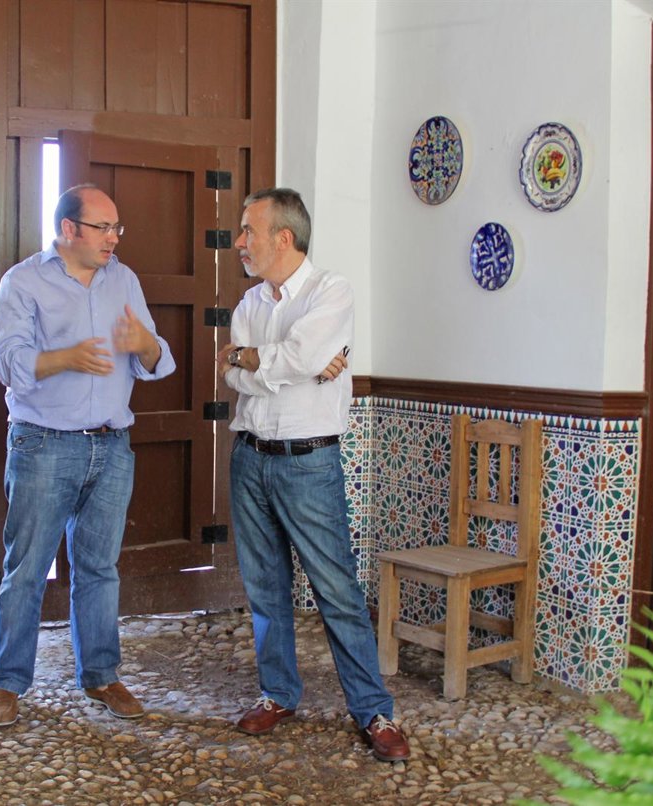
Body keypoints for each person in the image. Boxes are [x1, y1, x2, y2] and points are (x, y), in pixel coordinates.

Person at [216, 188, 410, 763]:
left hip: (308, 463)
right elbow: (236, 377)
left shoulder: (332, 291)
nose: (240, 241)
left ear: (284, 237)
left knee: (337, 590)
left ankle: (373, 711)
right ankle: (278, 694)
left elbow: (284, 360)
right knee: (264, 587)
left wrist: (255, 358)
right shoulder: (249, 302)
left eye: (249, 230)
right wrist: (274, 363)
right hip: (249, 458)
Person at [0, 183, 175, 726]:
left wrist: (144, 345)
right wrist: (66, 357)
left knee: (99, 568)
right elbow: (7, 363)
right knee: (26, 569)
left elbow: (157, 359)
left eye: (117, 228)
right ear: (68, 229)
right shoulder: (23, 281)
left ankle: (102, 675)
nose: (113, 239)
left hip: (112, 446)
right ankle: (7, 684)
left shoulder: (125, 280)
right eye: (103, 228)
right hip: (44, 443)